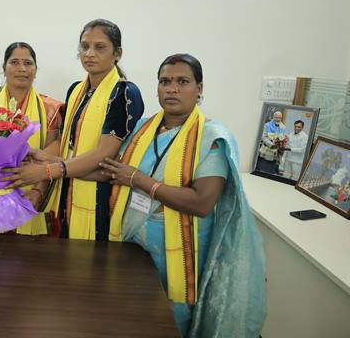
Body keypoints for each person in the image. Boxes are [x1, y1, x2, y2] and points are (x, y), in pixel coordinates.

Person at [98, 54, 266, 337]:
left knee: (169, 322)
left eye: (182, 82)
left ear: (199, 89)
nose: (172, 89)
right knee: (129, 319)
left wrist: (139, 179)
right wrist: (52, 168)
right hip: (131, 245)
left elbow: (202, 202)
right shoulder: (142, 128)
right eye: (165, 82)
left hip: (179, 252)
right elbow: (113, 170)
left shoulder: (211, 137)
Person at [3, 19, 144, 240]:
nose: (89, 53)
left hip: (101, 197)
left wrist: (45, 170)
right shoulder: (76, 90)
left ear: (117, 53)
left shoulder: (124, 93)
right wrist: (43, 156)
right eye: (85, 47)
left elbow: (103, 156)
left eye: (99, 47)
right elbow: (68, 146)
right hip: (69, 188)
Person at [0, 42, 63, 235]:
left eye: (28, 63)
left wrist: (38, 192)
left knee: (33, 254)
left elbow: (49, 159)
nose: (22, 69)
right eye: (14, 62)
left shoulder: (50, 109)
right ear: (4, 68)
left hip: (34, 197)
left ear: (36, 69)